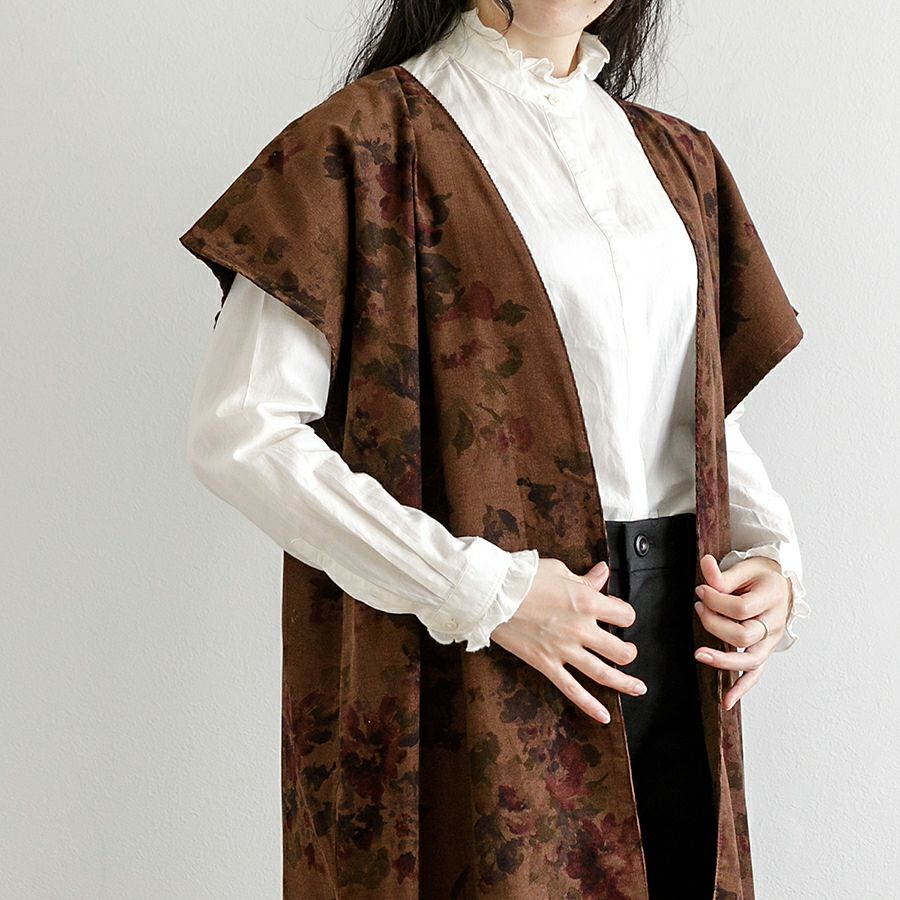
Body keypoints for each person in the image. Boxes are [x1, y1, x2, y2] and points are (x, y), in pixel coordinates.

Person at [182, 2, 809, 896]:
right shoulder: (361, 143)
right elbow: (241, 431)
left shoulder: (679, 159)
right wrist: (480, 591)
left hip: (679, 642)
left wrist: (773, 561)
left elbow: (690, 406)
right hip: (467, 649)